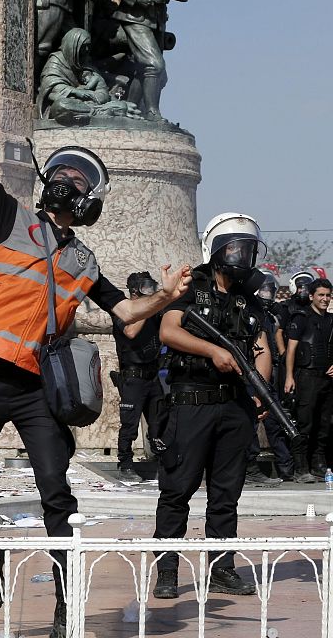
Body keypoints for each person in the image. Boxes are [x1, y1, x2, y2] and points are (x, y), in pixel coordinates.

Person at [0, 73, 190, 638]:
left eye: (79, 179)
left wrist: (164, 297)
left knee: (55, 490)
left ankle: (66, 601)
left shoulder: (85, 261)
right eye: (63, 172)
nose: (67, 181)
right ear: (48, 182)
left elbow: (123, 313)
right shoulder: (12, 218)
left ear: (89, 200)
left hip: (34, 388)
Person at [153, 213, 271, 600]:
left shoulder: (249, 298)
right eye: (236, 247)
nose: (243, 255)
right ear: (218, 249)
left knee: (226, 494)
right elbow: (169, 330)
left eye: (249, 248)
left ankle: (222, 568)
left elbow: (261, 346)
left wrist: (260, 387)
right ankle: (166, 570)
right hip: (192, 404)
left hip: (235, 407)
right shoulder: (192, 287)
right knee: (177, 490)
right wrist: (213, 350)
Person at [111, 271, 163, 482]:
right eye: (145, 288)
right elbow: (130, 332)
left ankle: (162, 462)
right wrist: (146, 308)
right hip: (133, 378)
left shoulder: (152, 313)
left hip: (153, 376)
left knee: (160, 423)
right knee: (129, 425)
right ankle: (125, 463)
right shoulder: (122, 313)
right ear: (134, 292)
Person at [244, 270, 294, 485]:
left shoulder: (272, 315)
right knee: (251, 423)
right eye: (263, 289)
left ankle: (287, 469)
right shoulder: (248, 313)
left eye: (270, 290)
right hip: (252, 377)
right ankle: (250, 468)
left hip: (270, 375)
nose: (267, 294)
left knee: (276, 423)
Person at [284, 278, 333, 482]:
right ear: (312, 296)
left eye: (328, 295)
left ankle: (319, 464)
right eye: (320, 295)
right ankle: (300, 468)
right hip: (306, 377)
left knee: (324, 424)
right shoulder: (301, 318)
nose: (324, 299)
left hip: (327, 380)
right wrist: (289, 377)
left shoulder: (331, 320)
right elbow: (291, 350)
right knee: (304, 423)